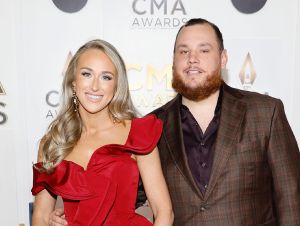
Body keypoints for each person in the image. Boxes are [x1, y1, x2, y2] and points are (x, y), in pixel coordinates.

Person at [50, 18, 300, 226]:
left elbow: (291, 199)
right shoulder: (151, 126)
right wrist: (64, 212)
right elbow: (122, 196)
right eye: (183, 51)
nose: (192, 59)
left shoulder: (265, 112)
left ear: (223, 58)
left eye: (204, 50)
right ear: (173, 60)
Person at [31, 39, 173, 226]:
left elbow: (164, 212)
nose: (95, 86)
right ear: (73, 82)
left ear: (116, 86)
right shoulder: (53, 143)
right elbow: (40, 216)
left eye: (106, 77)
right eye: (87, 74)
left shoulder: (137, 135)